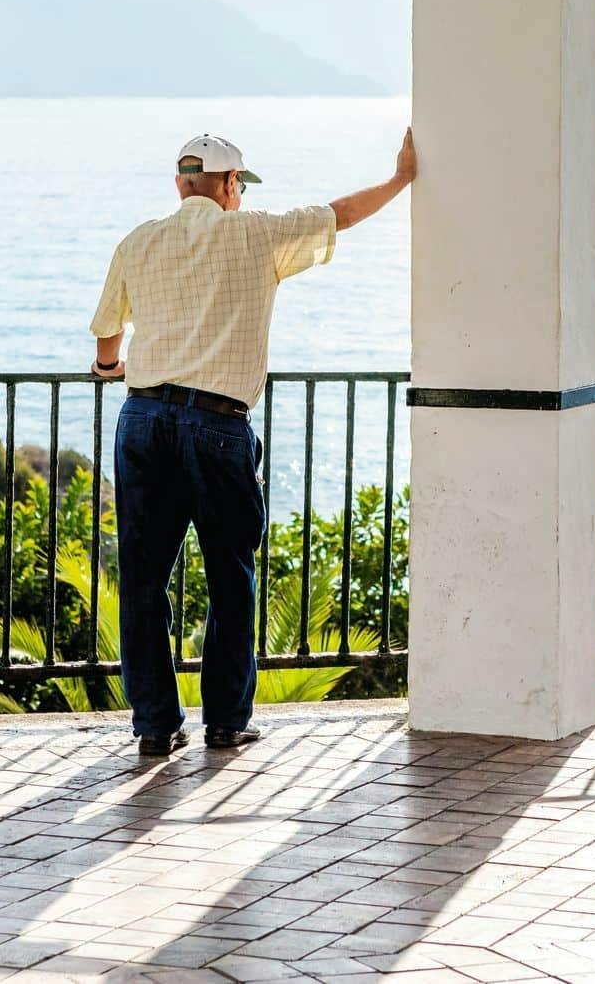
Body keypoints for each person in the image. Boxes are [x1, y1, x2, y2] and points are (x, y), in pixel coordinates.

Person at [89, 129, 417, 756]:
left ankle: (155, 726)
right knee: (230, 576)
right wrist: (400, 178)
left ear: (181, 183)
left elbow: (108, 335)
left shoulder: (137, 242)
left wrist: (110, 368)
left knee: (142, 577)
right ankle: (225, 722)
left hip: (144, 418)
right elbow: (339, 215)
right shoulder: (257, 234)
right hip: (217, 424)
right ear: (230, 185)